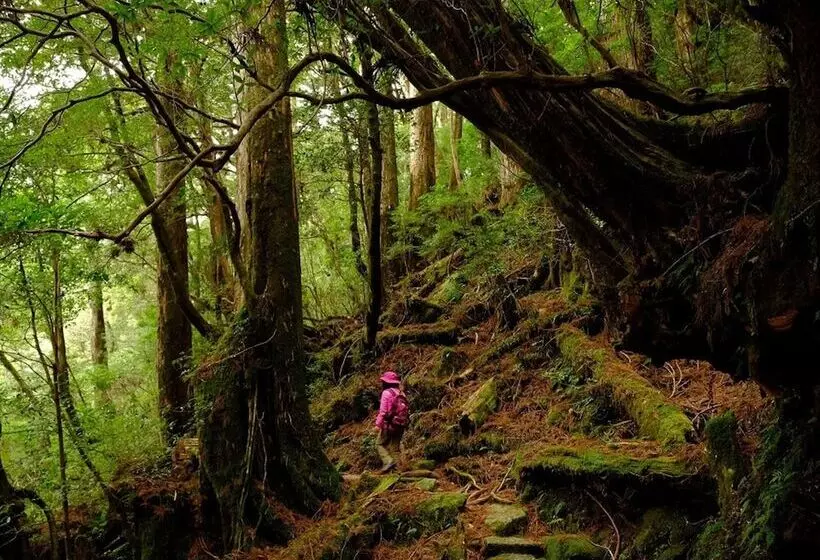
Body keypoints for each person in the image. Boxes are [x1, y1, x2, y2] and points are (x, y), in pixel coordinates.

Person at [374, 371, 409, 473]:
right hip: (401, 424)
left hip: (389, 424)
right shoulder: (402, 393)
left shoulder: (386, 393)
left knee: (379, 444)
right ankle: (400, 471)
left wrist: (378, 425)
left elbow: (383, 411)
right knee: (395, 448)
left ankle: (388, 461)